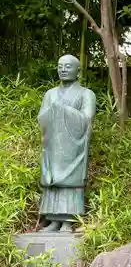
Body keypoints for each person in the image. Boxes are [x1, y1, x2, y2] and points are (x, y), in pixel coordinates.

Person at [38, 55, 96, 232]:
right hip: (53, 144)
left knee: (71, 181)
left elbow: (87, 119)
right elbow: (42, 118)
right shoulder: (50, 94)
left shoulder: (87, 94)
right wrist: (54, 113)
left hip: (74, 147)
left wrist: (61, 110)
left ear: (78, 71)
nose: (63, 69)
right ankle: (53, 220)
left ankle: (68, 222)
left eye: (68, 66)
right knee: (52, 180)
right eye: (60, 66)